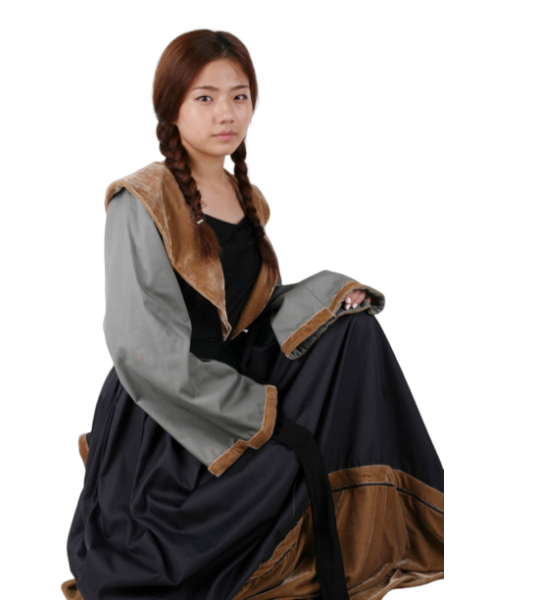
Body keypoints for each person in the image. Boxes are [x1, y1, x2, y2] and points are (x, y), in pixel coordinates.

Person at [62, 27, 444, 600]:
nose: (227, 114)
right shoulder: (140, 199)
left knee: (357, 335)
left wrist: (332, 299)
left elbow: (254, 311)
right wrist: (254, 413)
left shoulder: (247, 196)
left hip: (232, 374)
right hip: (169, 408)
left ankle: (391, 523)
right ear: (171, 107)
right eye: (205, 97)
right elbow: (141, 350)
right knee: (274, 471)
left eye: (239, 96)